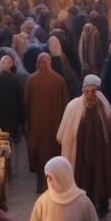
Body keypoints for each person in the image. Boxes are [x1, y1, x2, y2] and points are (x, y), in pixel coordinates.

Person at [57, 74, 111, 218]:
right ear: (83, 91)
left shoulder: (104, 107)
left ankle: (102, 207)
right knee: (81, 179)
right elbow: (63, 134)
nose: (91, 95)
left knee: (100, 178)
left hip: (100, 153)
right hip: (79, 152)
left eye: (94, 91)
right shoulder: (73, 107)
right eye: (88, 91)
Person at [25, 51, 69, 192]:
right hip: (54, 125)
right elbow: (65, 103)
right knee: (52, 153)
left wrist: (27, 122)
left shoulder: (32, 79)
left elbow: (26, 103)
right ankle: (52, 183)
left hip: (37, 125)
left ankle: (40, 184)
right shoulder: (59, 80)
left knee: (39, 154)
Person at [0, 55, 26, 146]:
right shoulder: (16, 81)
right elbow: (21, 104)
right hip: (12, 125)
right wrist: (21, 122)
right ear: (11, 66)